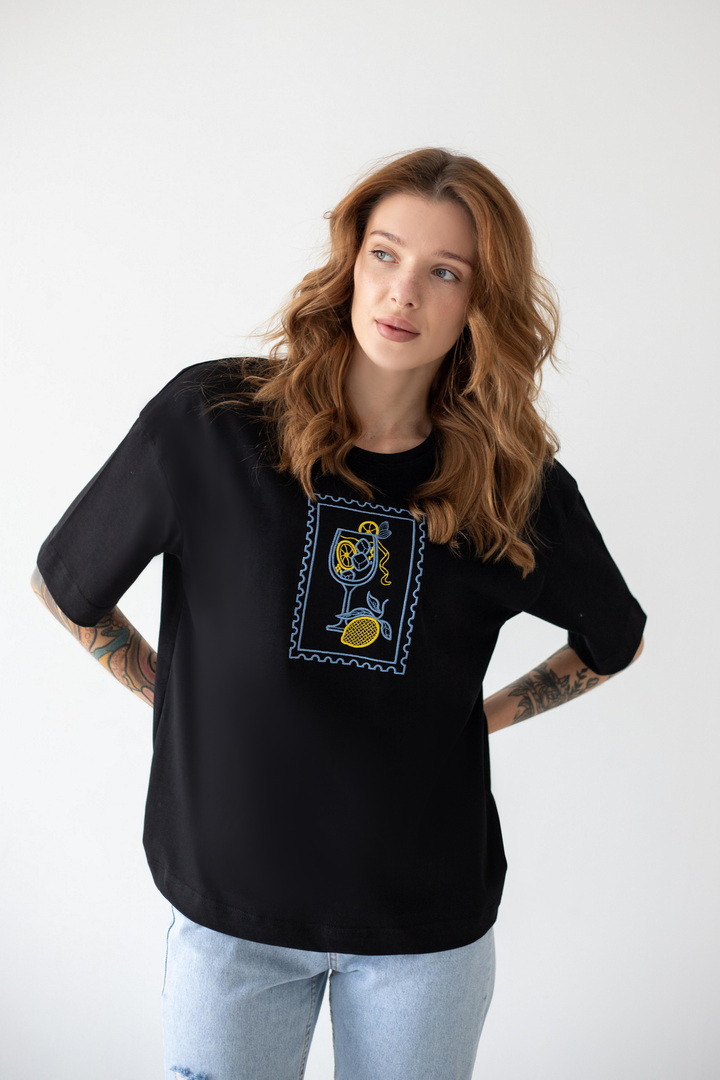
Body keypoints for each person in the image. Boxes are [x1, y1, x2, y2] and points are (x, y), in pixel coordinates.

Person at [31, 146, 647, 1080]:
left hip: (423, 933)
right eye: (385, 254)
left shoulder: (512, 488)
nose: (404, 292)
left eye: (446, 272)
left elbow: (612, 637)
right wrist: (174, 693)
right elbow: (68, 582)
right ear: (350, 261)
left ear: (482, 303)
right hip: (230, 918)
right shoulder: (215, 422)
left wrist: (487, 716)